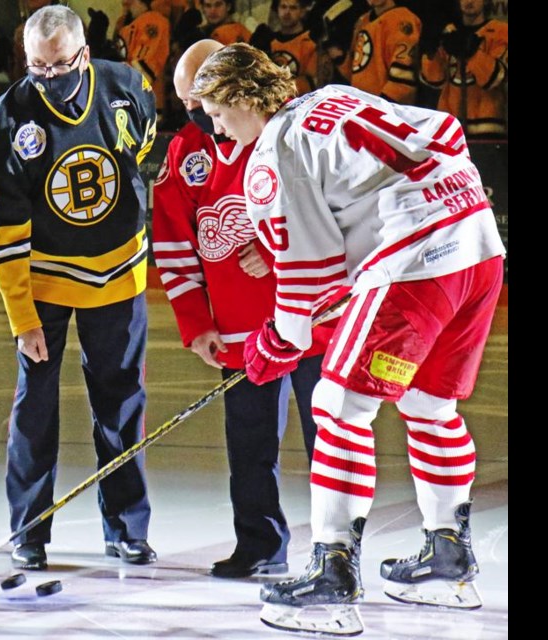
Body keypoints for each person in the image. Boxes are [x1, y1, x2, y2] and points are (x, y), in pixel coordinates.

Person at [192, 43, 504, 633]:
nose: (216, 126)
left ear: (240, 98)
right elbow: (445, 130)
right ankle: (448, 559)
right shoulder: (334, 98)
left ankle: (332, 576)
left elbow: (305, 286)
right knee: (429, 403)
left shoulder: (272, 156)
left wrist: (274, 347)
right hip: (478, 245)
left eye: (215, 111)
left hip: (417, 261)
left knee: (337, 406)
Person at [0, 4, 158, 571]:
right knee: (34, 410)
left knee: (122, 405)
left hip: (119, 275)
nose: (48, 78)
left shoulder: (129, 86)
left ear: (83, 53)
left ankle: (127, 528)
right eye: (36, 67)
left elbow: (148, 160)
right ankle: (28, 530)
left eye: (59, 65)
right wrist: (22, 317)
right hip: (46, 283)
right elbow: (4, 230)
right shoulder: (11, 116)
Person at [153, 40, 333, 579]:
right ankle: (259, 543)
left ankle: (336, 553)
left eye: (204, 102)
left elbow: (338, 220)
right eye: (188, 105)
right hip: (241, 333)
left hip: (315, 323)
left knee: (331, 440)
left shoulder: (295, 135)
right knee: (250, 447)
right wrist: (197, 324)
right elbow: (173, 244)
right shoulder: (187, 152)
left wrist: (279, 247)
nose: (198, 116)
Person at [420, 0, 508, 139]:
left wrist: (472, 53)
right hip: (449, 130)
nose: (469, 1)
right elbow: (434, 81)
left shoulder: (501, 31)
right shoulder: (449, 32)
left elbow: (496, 77)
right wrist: (431, 53)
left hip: (487, 130)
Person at [335, 0, 421, 104]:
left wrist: (378, 107)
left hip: (387, 111)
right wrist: (337, 55)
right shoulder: (363, 21)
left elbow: (403, 81)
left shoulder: (403, 20)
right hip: (361, 105)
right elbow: (356, 72)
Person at [251, 0, 319, 96]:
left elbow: (309, 82)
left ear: (302, 12)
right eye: (283, 7)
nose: (287, 12)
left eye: (293, 8)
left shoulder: (310, 41)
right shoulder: (268, 40)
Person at [116, 0, 172, 114]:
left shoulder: (154, 21)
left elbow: (145, 75)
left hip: (146, 108)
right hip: (130, 106)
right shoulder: (125, 23)